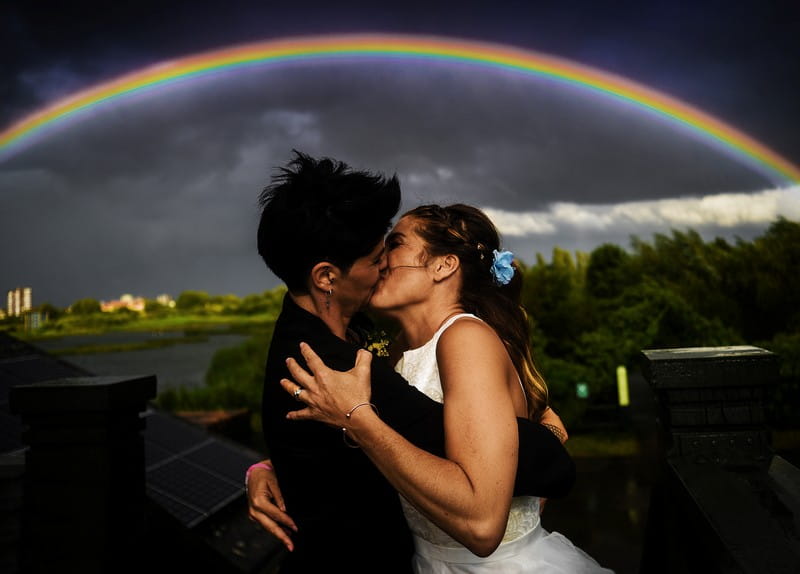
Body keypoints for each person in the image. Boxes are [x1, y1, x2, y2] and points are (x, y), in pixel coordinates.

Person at [247, 151, 575, 573]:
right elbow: (437, 432)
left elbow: (432, 435)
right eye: (374, 257)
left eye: (391, 247)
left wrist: (286, 458)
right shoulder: (328, 360)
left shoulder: (362, 336)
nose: (383, 262)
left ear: (444, 265)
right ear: (326, 277)